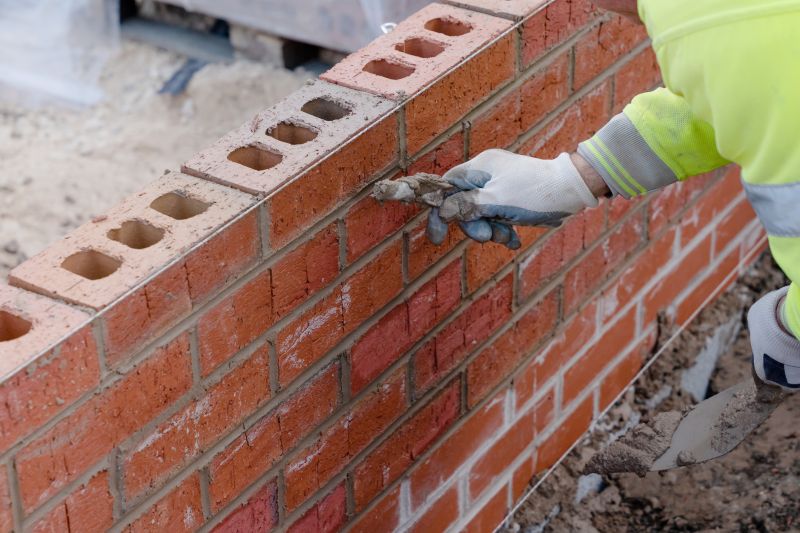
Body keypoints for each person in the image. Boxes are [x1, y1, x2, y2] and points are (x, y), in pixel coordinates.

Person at [426, 0, 800, 390]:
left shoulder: (699, 25)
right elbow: (745, 96)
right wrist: (576, 176)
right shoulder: (727, 20)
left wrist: (790, 329)